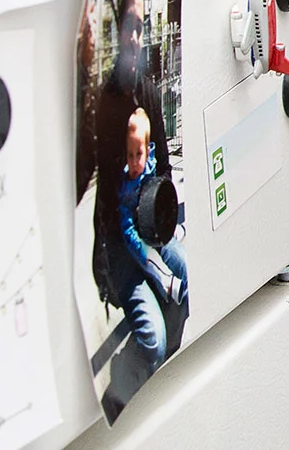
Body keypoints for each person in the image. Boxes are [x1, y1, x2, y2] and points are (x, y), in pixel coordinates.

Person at [109, 109, 187, 382]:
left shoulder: (150, 162)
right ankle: (166, 282)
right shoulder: (125, 185)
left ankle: (181, 336)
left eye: (138, 155)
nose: (134, 162)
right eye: (129, 156)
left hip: (153, 226)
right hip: (134, 238)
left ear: (148, 149)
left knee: (187, 268)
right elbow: (126, 224)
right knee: (150, 259)